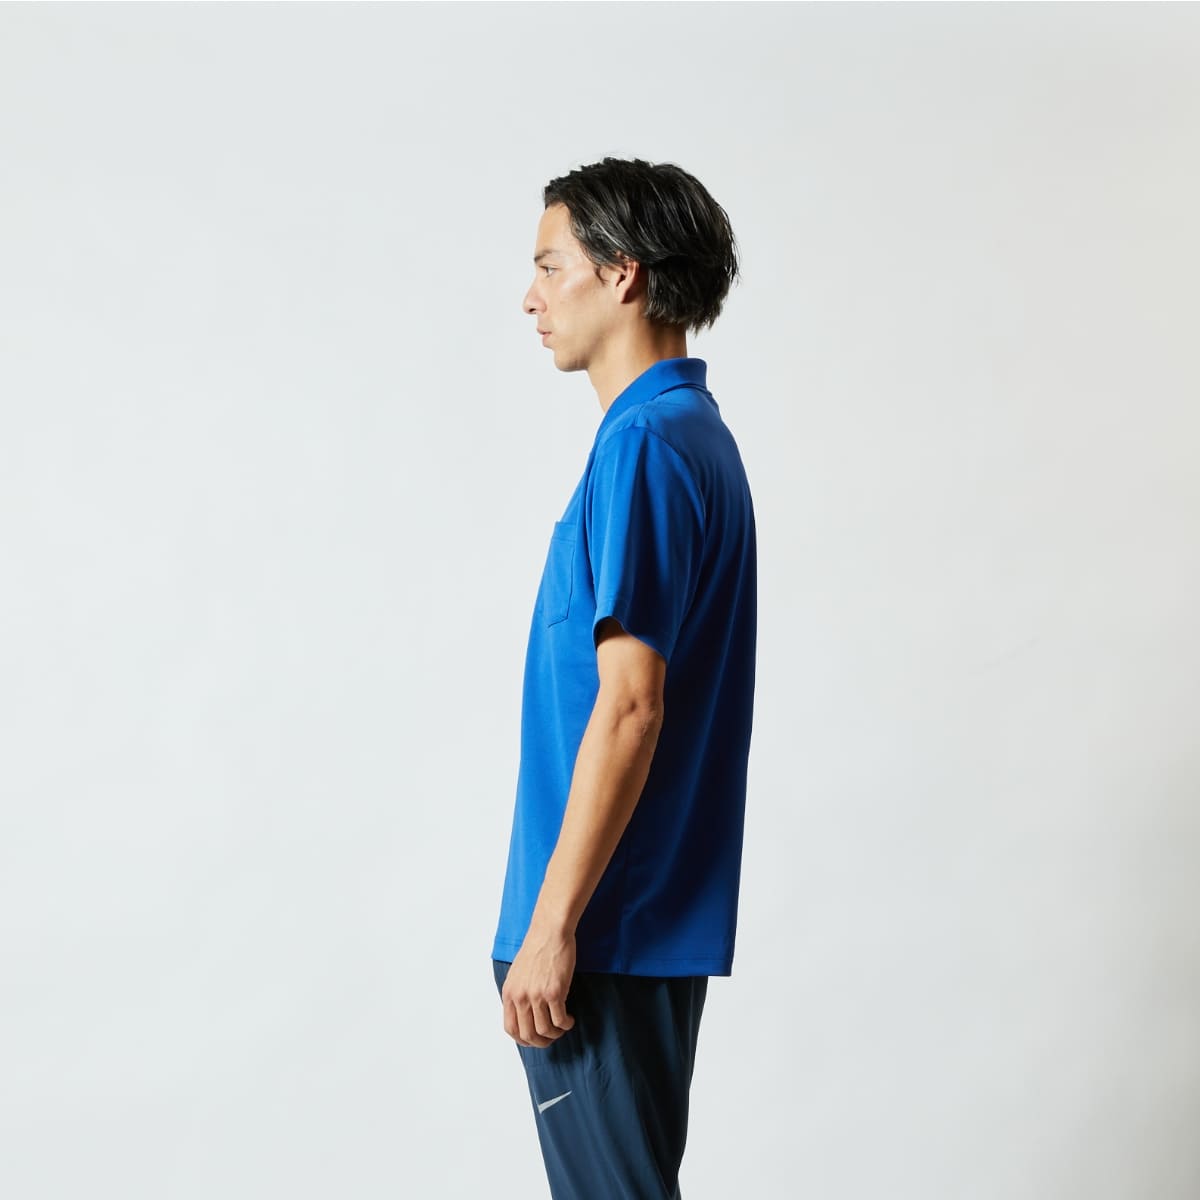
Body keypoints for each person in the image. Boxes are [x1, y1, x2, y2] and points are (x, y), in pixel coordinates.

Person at [491, 156, 757, 1200]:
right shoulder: (685, 436)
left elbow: (633, 706)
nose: (532, 297)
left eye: (551, 265)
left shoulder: (646, 445)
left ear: (623, 274)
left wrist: (553, 926)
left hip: (603, 933)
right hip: (631, 927)